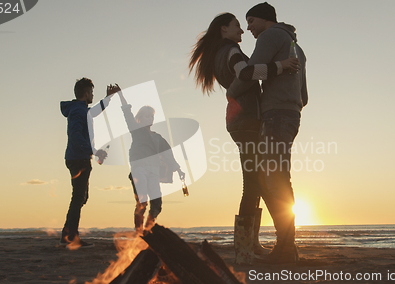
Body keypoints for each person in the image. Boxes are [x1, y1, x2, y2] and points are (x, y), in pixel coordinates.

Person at [189, 13, 299, 264]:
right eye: (237, 25)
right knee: (255, 183)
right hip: (248, 120)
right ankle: (254, 247)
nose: (241, 30)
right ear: (223, 29)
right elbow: (248, 73)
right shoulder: (231, 51)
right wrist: (281, 66)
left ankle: (250, 246)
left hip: (239, 121)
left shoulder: (219, 54)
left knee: (254, 182)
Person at [228, 2, 308, 264]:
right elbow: (304, 96)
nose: (248, 27)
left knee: (274, 180)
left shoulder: (270, 36)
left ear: (264, 20)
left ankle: (285, 248)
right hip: (291, 115)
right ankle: (286, 246)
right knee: (276, 177)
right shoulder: (297, 47)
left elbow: (250, 73)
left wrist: (232, 91)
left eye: (250, 21)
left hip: (275, 116)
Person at [115, 88, 185, 235]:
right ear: (139, 118)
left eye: (151, 116)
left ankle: (147, 232)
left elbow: (168, 155)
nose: (150, 118)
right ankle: (139, 233)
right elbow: (127, 113)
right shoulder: (136, 130)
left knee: (157, 205)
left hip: (154, 171)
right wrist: (120, 95)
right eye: (146, 116)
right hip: (139, 168)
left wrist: (179, 170)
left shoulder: (158, 138)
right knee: (142, 202)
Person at [59, 78, 119, 249]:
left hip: (77, 157)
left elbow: (95, 112)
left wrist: (108, 99)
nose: (93, 95)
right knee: (78, 198)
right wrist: (93, 151)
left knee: (81, 197)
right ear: (86, 93)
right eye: (91, 92)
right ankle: (71, 237)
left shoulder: (80, 109)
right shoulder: (78, 111)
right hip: (79, 158)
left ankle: (67, 233)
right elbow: (75, 134)